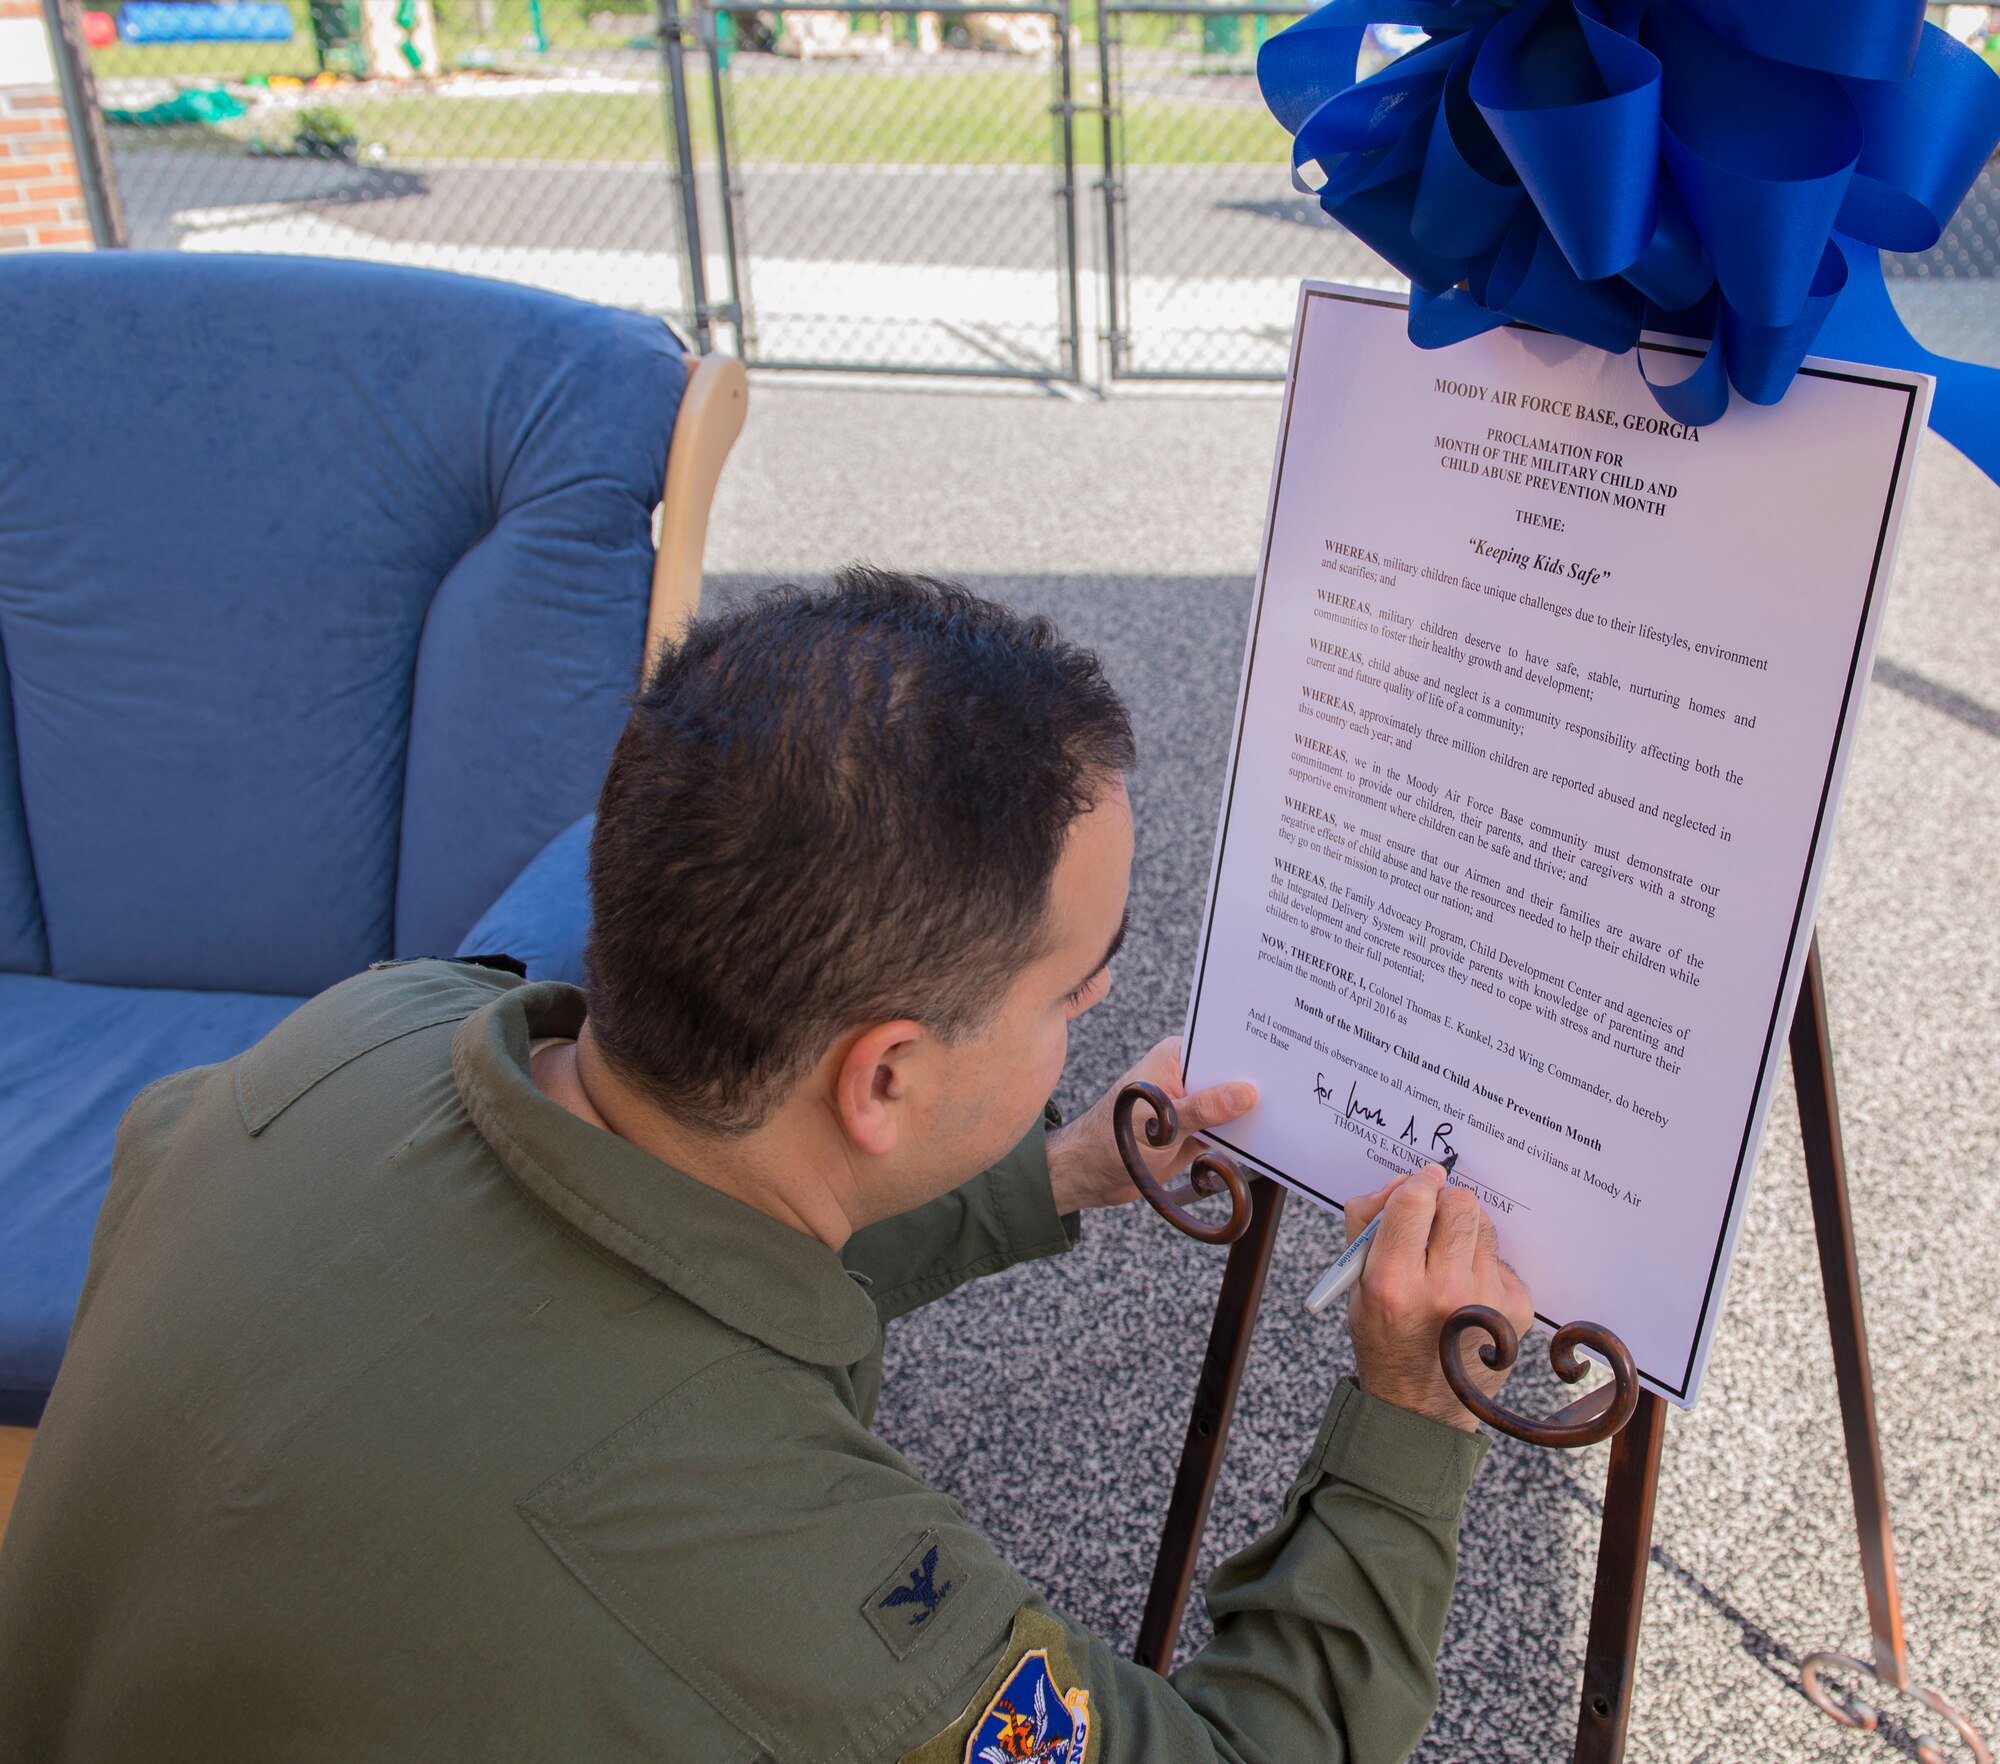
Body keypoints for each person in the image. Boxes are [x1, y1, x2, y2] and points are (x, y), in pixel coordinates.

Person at [0, 569, 1533, 1763]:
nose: (1095, 1018)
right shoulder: (785, 1585)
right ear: (884, 1077)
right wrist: (1408, 1412)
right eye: (1077, 990)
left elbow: (660, 1221)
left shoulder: (354, 1037)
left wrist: (1058, 1168)